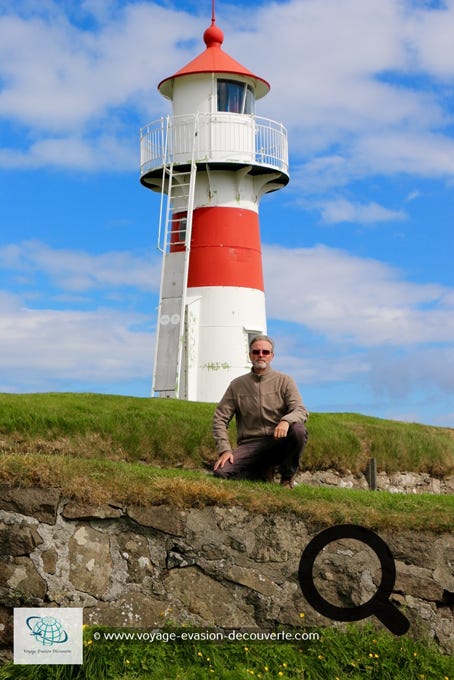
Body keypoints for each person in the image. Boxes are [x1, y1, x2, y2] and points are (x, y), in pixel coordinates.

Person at [212, 335, 309, 488]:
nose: (261, 355)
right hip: (250, 444)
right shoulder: (237, 385)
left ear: (272, 355)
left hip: (278, 441)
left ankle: (287, 478)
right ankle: (260, 473)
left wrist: (285, 421)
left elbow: (300, 410)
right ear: (250, 355)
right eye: (256, 352)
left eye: (265, 352)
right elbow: (220, 419)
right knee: (221, 472)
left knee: (298, 430)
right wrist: (225, 450)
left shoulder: (285, 381)